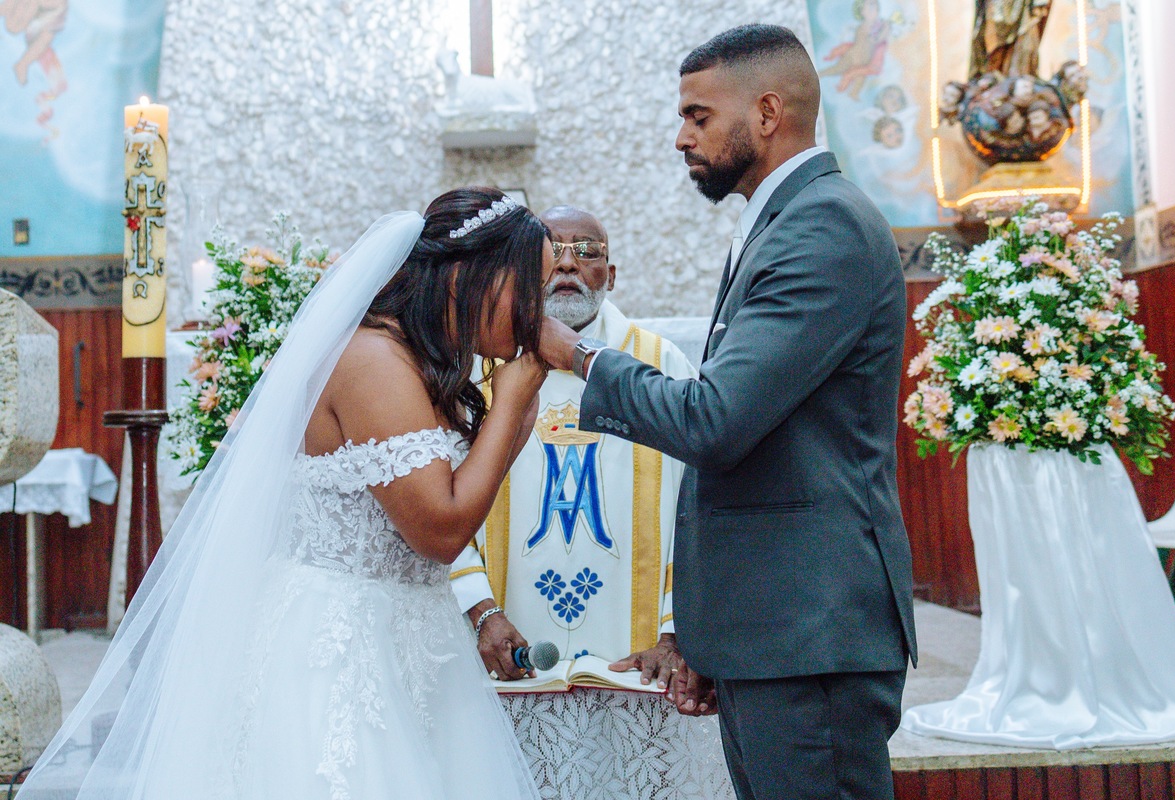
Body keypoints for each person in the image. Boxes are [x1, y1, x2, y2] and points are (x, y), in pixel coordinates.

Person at [20, 188, 552, 798]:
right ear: (465, 276)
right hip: (337, 650)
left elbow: (466, 490)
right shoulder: (375, 361)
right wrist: (512, 397)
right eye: (527, 287)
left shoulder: (425, 363)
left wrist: (521, 399)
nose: (537, 310)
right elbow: (442, 530)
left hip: (417, 639)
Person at [537, 25, 917, 800]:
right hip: (773, 631)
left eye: (698, 115)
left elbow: (714, 420)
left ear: (768, 113)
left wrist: (573, 354)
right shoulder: (781, 221)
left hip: (810, 635)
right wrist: (716, 636)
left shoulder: (823, 225)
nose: (682, 137)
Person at [450, 204, 697, 688]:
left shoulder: (661, 365)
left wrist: (674, 633)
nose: (567, 264)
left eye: (586, 251)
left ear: (612, 275)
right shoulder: (479, 369)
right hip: (502, 643)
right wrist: (480, 611)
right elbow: (438, 497)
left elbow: (701, 504)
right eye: (551, 252)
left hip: (641, 657)